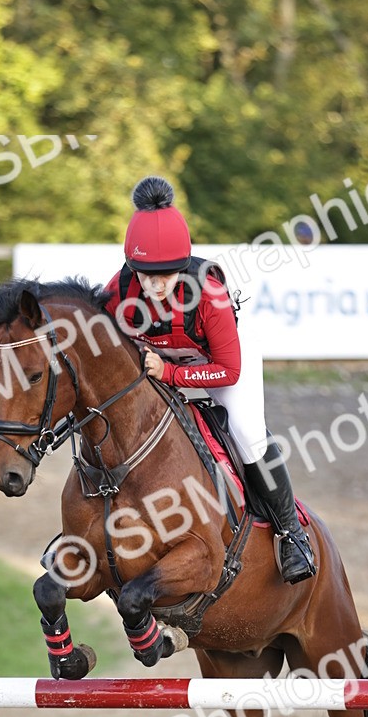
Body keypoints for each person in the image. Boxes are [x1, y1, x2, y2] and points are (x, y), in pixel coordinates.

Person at [103, 175, 316, 585]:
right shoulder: (119, 291)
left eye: (164, 274)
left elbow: (229, 370)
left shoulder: (209, 295)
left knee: (246, 432)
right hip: (161, 364)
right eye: (145, 273)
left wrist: (172, 374)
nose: (154, 284)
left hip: (218, 362)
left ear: (181, 268)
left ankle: (292, 535)